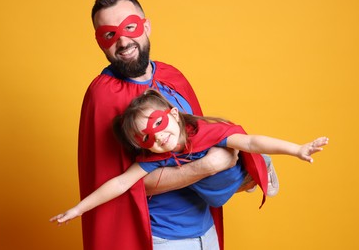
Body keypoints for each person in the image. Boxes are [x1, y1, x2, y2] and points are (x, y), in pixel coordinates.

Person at [73, 0, 241, 249]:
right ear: (100, 42)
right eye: (110, 34)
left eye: (130, 27)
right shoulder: (104, 94)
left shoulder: (172, 77)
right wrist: (208, 166)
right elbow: (125, 183)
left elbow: (199, 140)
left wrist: (238, 170)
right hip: (161, 239)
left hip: (205, 229)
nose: (123, 40)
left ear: (146, 25)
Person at [50, 89, 328, 226]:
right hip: (215, 192)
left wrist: (298, 149)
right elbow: (121, 183)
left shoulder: (209, 132)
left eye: (157, 125)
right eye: (145, 138)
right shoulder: (156, 157)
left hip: (236, 170)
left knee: (244, 155)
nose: (157, 138)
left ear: (172, 115)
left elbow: (253, 140)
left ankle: (258, 171)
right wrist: (79, 209)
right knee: (206, 187)